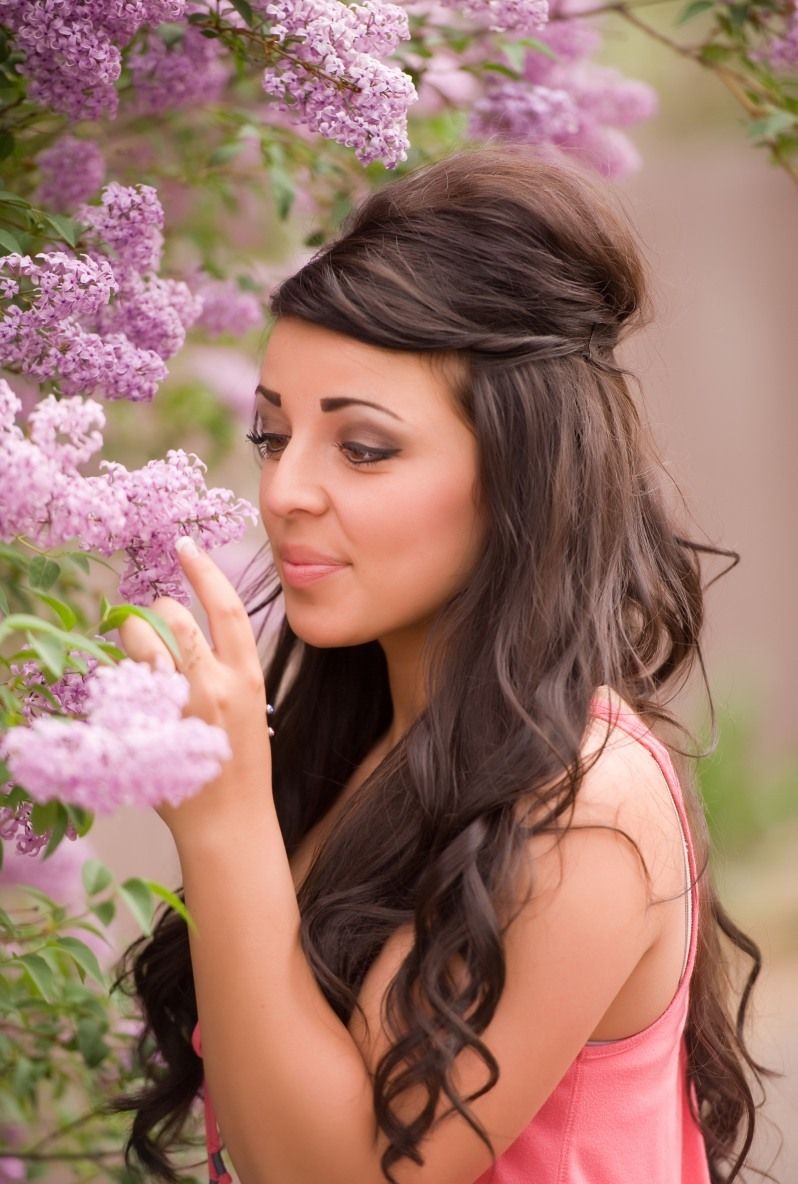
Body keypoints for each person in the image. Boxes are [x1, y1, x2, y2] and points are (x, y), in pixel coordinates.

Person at [113, 147, 769, 1184]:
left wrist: (224, 817)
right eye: (273, 436)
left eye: (362, 447)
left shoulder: (583, 806)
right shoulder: (378, 740)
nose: (284, 491)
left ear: (521, 469)